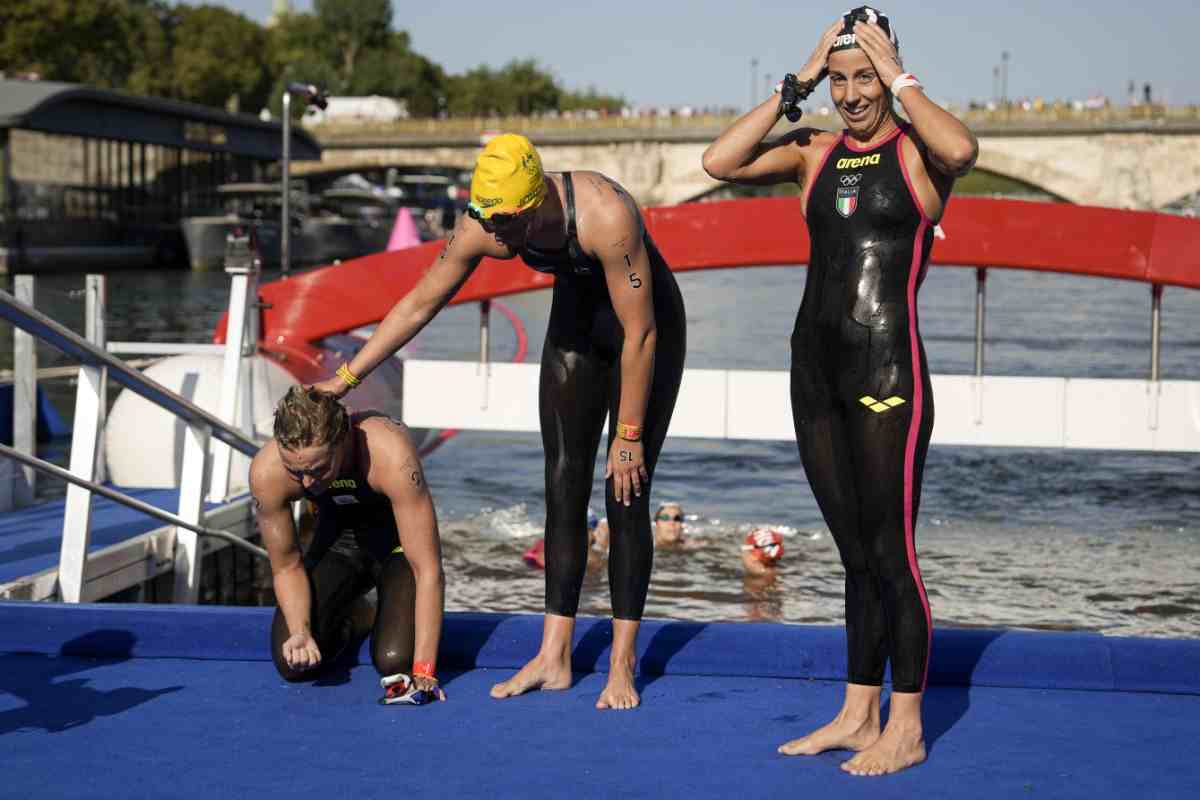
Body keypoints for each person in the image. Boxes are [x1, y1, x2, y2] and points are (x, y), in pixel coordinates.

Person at [314, 133, 687, 710]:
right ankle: (553, 656)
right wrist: (345, 380)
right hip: (576, 330)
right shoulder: (485, 225)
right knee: (561, 485)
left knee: (626, 491)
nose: (498, 238)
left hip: (646, 334)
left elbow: (642, 333)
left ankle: (621, 662)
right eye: (490, 223)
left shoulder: (606, 215)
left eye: (510, 224)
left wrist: (629, 436)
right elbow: (419, 303)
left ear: (538, 200)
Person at [702, 6, 977, 776]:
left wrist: (899, 76)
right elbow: (718, 163)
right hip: (815, 372)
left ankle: (909, 725)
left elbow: (965, 145)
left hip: (888, 373)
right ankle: (859, 713)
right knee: (854, 554)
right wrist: (800, 77)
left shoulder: (921, 153)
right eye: (843, 80)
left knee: (893, 553)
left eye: (866, 79)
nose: (854, 95)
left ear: (889, 77)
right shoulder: (813, 154)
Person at [249, 386, 447, 705]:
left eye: (318, 469)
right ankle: (359, 614)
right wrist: (300, 629)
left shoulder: (389, 454)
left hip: (398, 549)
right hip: (340, 543)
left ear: (343, 440)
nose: (308, 483)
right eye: (296, 472)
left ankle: (388, 612)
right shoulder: (268, 472)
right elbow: (287, 566)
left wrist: (425, 669)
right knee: (294, 663)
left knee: (395, 661)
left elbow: (427, 568)